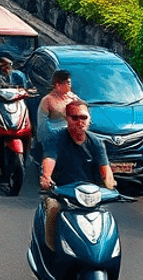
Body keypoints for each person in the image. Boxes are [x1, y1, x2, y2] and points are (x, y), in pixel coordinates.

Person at [39, 98, 115, 251]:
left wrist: (111, 188)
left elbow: (106, 171)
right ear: (67, 119)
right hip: (61, 194)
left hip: (90, 197)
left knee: (107, 219)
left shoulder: (96, 142)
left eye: (83, 117)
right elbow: (49, 159)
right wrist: (47, 178)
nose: (80, 121)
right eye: (75, 117)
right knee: (53, 208)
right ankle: (52, 250)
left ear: (89, 120)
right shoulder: (56, 138)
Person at [35, 69, 75, 158]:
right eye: (67, 83)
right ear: (58, 84)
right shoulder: (47, 100)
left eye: (69, 83)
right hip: (54, 139)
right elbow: (42, 125)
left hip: (73, 136)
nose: (70, 85)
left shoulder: (73, 98)